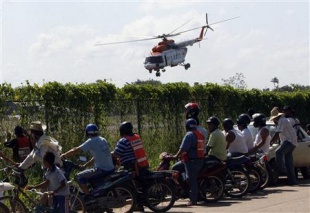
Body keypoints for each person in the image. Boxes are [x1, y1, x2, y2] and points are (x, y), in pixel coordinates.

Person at [61, 124, 114, 195]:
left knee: (78, 176)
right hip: (110, 168)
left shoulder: (91, 141)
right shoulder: (103, 139)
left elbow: (76, 150)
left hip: (101, 170)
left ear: (87, 133)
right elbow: (97, 156)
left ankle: (89, 197)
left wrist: (64, 155)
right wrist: (85, 165)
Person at [172, 118, 205, 206]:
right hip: (199, 160)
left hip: (192, 161)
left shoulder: (189, 135)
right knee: (175, 168)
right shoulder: (200, 134)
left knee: (191, 179)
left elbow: (183, 148)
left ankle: (193, 199)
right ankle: (183, 189)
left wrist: (175, 156)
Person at [269, 107, 298, 186]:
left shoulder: (282, 120)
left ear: (276, 117)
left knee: (278, 152)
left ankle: (282, 170)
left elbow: (278, 133)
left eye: (274, 119)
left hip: (289, 141)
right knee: (289, 163)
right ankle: (292, 181)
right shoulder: (282, 120)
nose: (274, 120)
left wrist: (271, 141)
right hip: (291, 141)